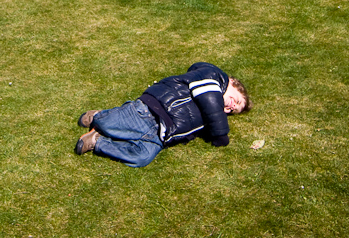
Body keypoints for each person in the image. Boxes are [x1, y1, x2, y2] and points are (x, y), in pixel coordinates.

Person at [75, 62, 251, 168]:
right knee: (108, 123)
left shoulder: (211, 115)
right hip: (151, 111)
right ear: (232, 83)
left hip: (161, 136)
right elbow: (211, 103)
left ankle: (98, 142)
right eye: (235, 100)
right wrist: (220, 135)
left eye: (233, 110)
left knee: (141, 158)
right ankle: (99, 116)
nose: (230, 107)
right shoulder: (214, 77)